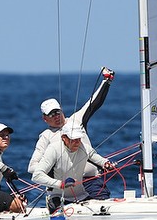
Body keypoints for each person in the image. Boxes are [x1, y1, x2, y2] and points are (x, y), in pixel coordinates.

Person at [28, 66, 114, 199]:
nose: (56, 116)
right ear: (44, 118)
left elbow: (93, 103)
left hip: (91, 181)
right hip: (64, 187)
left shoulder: (76, 120)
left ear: (61, 110)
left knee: (103, 206)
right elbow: (32, 167)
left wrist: (106, 81)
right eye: (51, 114)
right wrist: (55, 171)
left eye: (57, 112)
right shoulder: (46, 136)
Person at [32, 122, 116, 213]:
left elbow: (97, 158)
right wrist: (61, 184)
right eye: (73, 139)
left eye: (79, 139)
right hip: (59, 198)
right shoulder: (54, 149)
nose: (77, 142)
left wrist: (106, 164)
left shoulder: (84, 147)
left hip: (82, 196)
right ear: (64, 138)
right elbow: (36, 176)